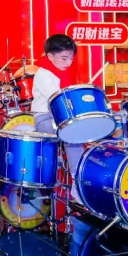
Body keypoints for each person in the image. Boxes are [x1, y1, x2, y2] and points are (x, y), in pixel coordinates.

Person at [31, 35, 82, 195]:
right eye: (64, 58)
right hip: (44, 119)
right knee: (71, 131)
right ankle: (78, 182)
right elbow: (58, 101)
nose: (68, 63)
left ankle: (82, 177)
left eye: (71, 58)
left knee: (80, 128)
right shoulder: (44, 74)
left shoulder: (62, 73)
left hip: (61, 118)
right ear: (50, 56)